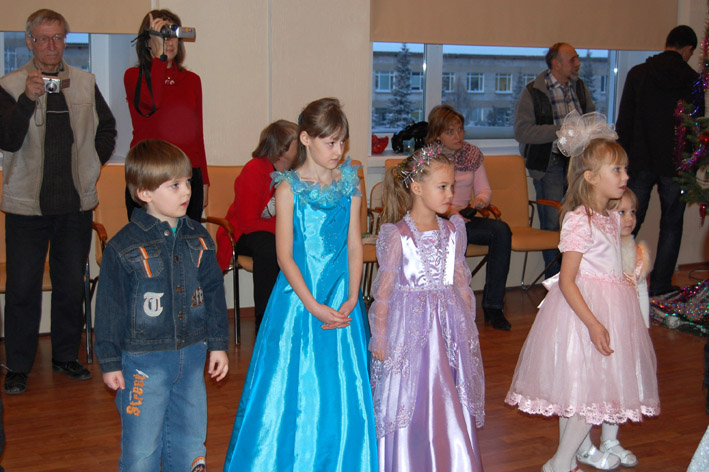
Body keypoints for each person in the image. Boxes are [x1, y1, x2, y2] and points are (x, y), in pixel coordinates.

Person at [223, 98, 377, 471]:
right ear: (306, 139)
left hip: (342, 297)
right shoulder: (287, 188)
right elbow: (284, 257)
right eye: (330, 142)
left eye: (342, 142)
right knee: (292, 385)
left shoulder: (350, 184)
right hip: (299, 300)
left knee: (340, 384)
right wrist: (312, 305)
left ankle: (340, 458)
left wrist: (353, 295)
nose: (338, 151)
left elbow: (355, 244)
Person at [505, 111, 659, 472]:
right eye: (616, 170)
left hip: (612, 312)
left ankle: (572, 456)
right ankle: (560, 462)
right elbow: (568, 279)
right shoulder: (579, 220)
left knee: (582, 393)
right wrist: (592, 323)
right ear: (590, 177)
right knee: (586, 393)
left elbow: (614, 265)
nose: (625, 177)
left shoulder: (611, 217)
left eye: (625, 169)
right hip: (582, 314)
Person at [0, 8, 117, 394]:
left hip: (74, 205)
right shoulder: (10, 85)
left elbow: (108, 127)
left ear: (65, 41)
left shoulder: (85, 82)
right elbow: (7, 139)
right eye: (43, 38)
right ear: (29, 42)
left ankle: (66, 356)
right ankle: (18, 365)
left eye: (58, 37)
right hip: (25, 207)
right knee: (22, 289)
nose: (51, 45)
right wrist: (27, 99)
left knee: (70, 285)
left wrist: (92, 164)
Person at [94, 139, 229, 471]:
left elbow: (213, 293)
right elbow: (109, 307)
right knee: (142, 448)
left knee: (190, 441)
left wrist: (218, 345)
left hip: (192, 355)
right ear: (145, 193)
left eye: (187, 182)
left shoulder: (199, 237)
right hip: (144, 362)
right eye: (174, 185)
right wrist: (110, 361)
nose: (187, 192)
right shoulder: (123, 246)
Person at [370, 144, 485, 471]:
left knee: (448, 390)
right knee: (412, 393)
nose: (451, 194)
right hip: (409, 329)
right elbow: (384, 293)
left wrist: (468, 326)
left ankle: (452, 457)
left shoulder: (453, 230)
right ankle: (408, 457)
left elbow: (461, 281)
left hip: (448, 328)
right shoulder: (398, 235)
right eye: (443, 187)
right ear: (417, 188)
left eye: (452, 186)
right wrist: (380, 336)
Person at [616, 25, 701, 297]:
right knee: (672, 225)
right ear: (687, 49)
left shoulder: (638, 74)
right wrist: (692, 163)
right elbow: (695, 128)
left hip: (639, 160)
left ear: (668, 43)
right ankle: (661, 285)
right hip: (676, 165)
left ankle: (617, 278)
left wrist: (621, 163)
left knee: (628, 220)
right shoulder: (692, 80)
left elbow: (624, 122)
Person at [575, 188, 650, 470]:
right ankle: (581, 444)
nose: (629, 219)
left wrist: (641, 331)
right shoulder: (595, 249)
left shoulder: (637, 253)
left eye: (633, 212)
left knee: (618, 385)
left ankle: (609, 439)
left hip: (624, 330)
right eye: (621, 212)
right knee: (590, 386)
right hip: (597, 327)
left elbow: (641, 293)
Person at [426, 104, 512, 330]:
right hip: (439, 218)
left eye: (460, 130)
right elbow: (424, 196)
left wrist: (481, 200)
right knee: (453, 234)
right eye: (450, 132)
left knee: (501, 231)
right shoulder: (429, 158)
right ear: (437, 135)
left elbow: (484, 189)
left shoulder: (472, 154)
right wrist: (449, 211)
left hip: (465, 216)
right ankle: (451, 306)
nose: (458, 136)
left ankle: (493, 306)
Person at [514, 42, 595, 278]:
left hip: (578, 164)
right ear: (556, 63)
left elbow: (591, 119)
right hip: (549, 164)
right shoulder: (534, 91)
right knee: (552, 225)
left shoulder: (579, 88)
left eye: (577, 58)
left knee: (580, 222)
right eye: (572, 59)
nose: (578, 63)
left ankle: (577, 279)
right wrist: (561, 130)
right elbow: (522, 131)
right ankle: (556, 283)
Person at [124, 9, 208, 222]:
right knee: (149, 238)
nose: (169, 41)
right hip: (150, 175)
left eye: (172, 34)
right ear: (148, 40)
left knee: (186, 238)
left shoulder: (192, 80)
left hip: (187, 175)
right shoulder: (133, 76)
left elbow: (197, 134)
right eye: (162, 34)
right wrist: (158, 58)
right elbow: (152, 101)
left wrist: (205, 180)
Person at [216, 120, 299, 331]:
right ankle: (265, 319)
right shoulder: (254, 170)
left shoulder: (294, 172)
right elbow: (248, 222)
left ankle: (294, 314)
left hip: (272, 231)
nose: (302, 146)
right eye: (297, 143)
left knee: (298, 245)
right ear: (282, 148)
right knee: (271, 249)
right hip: (242, 233)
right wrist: (285, 234)